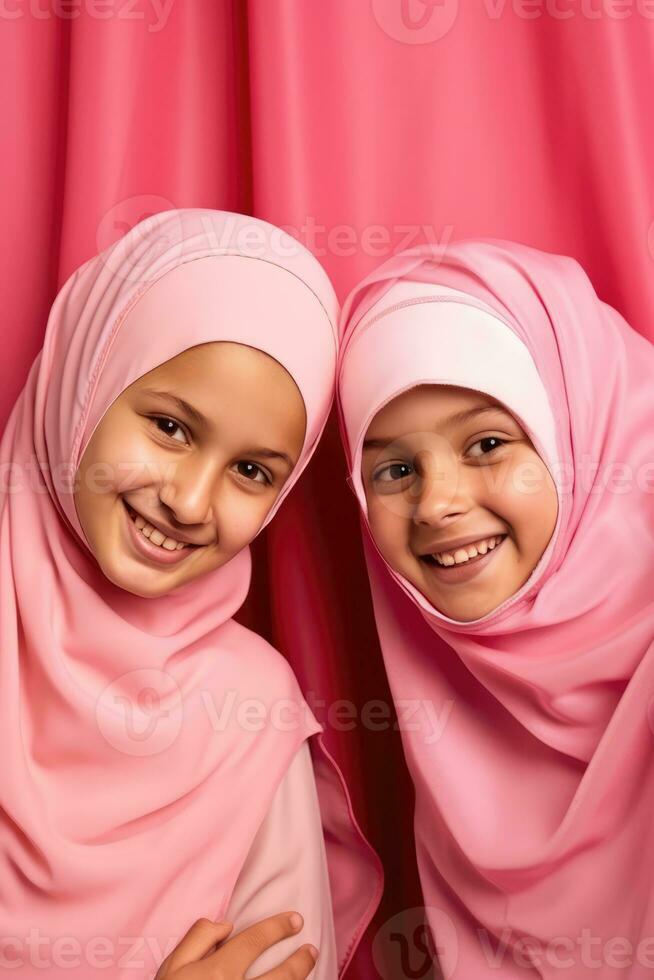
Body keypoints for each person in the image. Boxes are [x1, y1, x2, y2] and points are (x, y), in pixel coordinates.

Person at [0, 208, 382, 979]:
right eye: (170, 426)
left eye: (252, 472)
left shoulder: (248, 709)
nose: (190, 500)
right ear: (84, 383)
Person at [336, 239, 654, 978]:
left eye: (486, 443)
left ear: (586, 436)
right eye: (395, 469)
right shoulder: (445, 710)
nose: (438, 504)